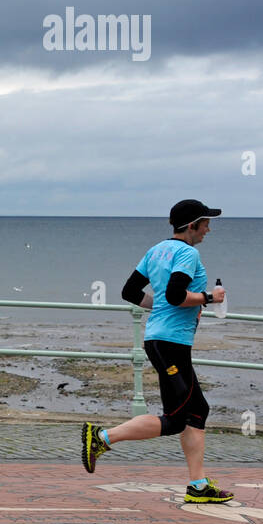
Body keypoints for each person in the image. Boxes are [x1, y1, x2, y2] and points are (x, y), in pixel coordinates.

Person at [83, 200, 233, 504]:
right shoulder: (188, 253)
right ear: (192, 225)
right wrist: (209, 297)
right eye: (205, 223)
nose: (209, 229)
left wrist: (163, 307)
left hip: (162, 340)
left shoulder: (156, 250)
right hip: (170, 343)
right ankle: (100, 437)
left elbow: (131, 292)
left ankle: (198, 485)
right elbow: (176, 295)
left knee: (194, 412)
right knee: (182, 416)